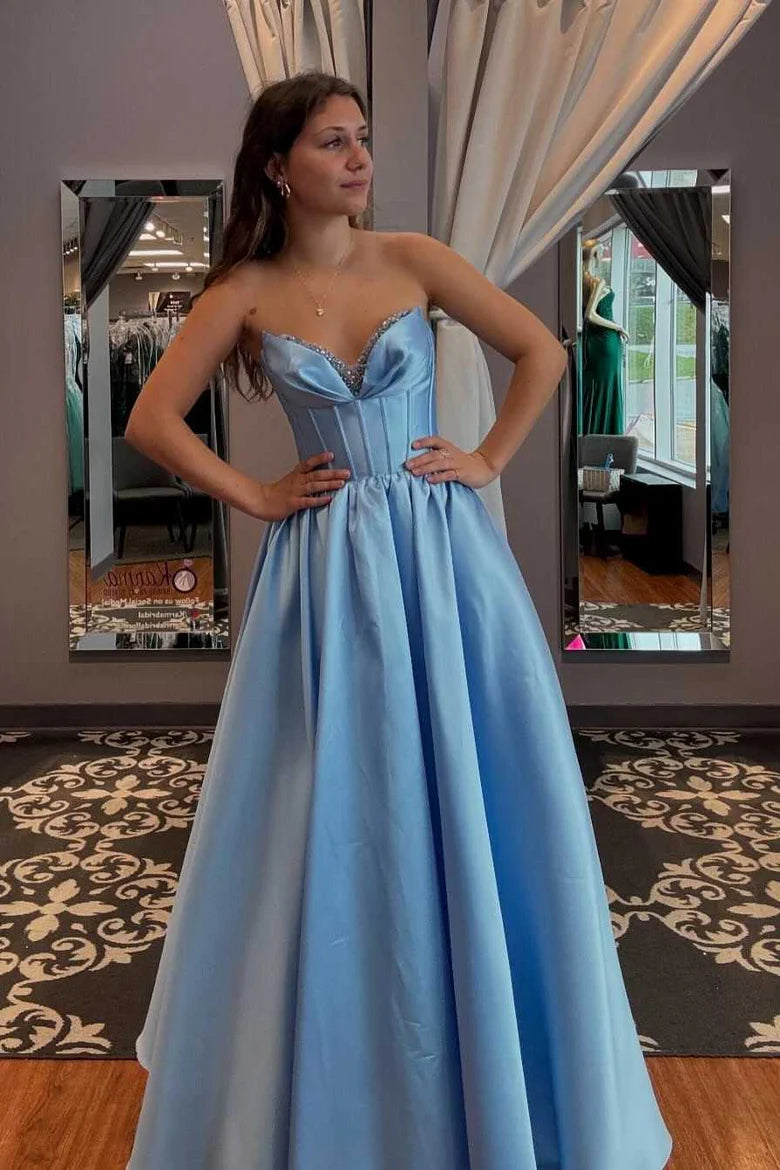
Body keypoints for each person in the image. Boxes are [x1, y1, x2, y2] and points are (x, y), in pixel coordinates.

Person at [123, 70, 673, 1170]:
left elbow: (543, 351)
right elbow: (150, 420)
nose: (359, 157)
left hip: (442, 555)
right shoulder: (245, 290)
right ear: (279, 166)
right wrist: (256, 495)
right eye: (333, 141)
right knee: (330, 800)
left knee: (478, 785)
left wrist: (488, 460)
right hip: (326, 569)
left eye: (362, 137)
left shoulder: (414, 258)